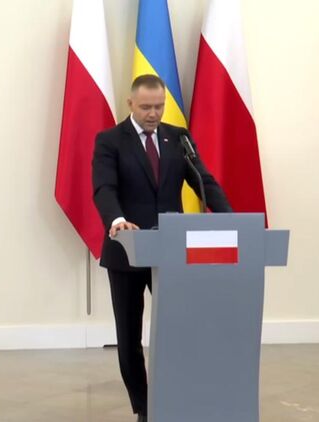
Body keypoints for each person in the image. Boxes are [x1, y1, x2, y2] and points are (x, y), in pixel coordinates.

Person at [91, 74, 232, 422]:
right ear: (130, 104)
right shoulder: (110, 141)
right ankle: (145, 407)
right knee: (129, 336)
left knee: (179, 328)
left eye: (159, 106)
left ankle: (176, 398)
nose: (153, 113)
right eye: (146, 107)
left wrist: (231, 219)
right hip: (127, 250)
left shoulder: (178, 138)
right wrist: (117, 220)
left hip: (171, 251)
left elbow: (203, 180)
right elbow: (104, 188)